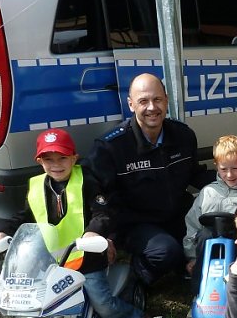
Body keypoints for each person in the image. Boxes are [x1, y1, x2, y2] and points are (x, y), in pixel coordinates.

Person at [0, 129, 145, 318]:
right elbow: (26, 215)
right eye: (49, 159)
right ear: (39, 161)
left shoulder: (87, 181)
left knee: (104, 305)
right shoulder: (36, 185)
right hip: (50, 261)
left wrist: (93, 231)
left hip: (86, 259)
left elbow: (102, 212)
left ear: (74, 158)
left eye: (62, 158)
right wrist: (3, 229)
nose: (56, 165)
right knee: (29, 300)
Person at [86, 73, 214, 286]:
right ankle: (135, 277)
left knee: (212, 234)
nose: (152, 107)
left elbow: (195, 174)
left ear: (166, 100)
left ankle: (185, 266)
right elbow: (99, 197)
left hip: (178, 215)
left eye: (157, 99)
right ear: (131, 104)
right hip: (136, 223)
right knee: (166, 251)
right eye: (143, 101)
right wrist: (98, 232)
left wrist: (235, 180)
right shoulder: (111, 146)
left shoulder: (183, 135)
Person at [183, 135, 237, 294]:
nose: (229, 175)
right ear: (216, 166)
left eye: (235, 168)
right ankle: (200, 293)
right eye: (224, 169)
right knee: (205, 233)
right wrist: (192, 257)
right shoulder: (208, 192)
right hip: (210, 249)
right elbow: (192, 224)